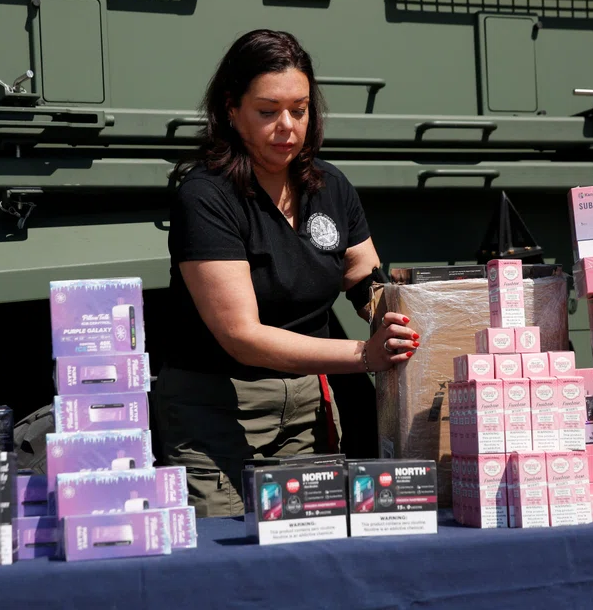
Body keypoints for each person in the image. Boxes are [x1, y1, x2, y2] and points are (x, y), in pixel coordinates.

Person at [155, 29, 419, 518]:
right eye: (267, 111)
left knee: (306, 546)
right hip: (217, 415)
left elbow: (363, 280)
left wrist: (406, 319)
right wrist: (366, 353)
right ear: (231, 110)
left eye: (299, 110)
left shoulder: (329, 185)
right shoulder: (206, 196)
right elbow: (242, 336)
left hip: (305, 411)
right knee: (226, 558)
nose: (287, 126)